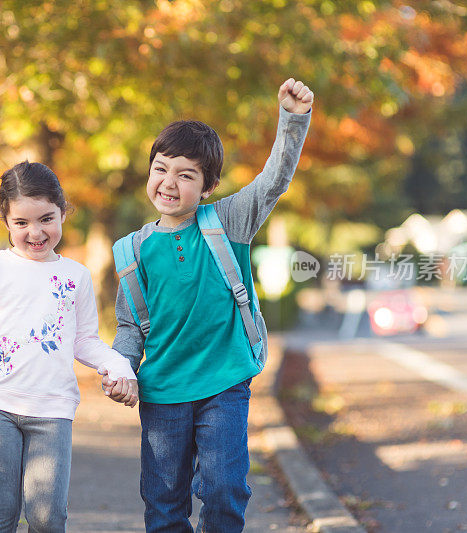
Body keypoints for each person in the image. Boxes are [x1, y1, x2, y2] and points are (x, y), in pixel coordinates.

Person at [103, 78, 313, 531]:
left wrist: (293, 120)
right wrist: (120, 370)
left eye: (186, 174)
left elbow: (274, 179)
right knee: (163, 505)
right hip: (162, 393)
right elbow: (130, 328)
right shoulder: (131, 251)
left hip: (224, 382)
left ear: (208, 185)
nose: (169, 182)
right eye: (161, 168)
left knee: (223, 490)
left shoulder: (228, 222)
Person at [0, 160, 138, 533]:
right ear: (6, 222)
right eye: (21, 223)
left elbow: (85, 341)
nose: (35, 232)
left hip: (52, 410)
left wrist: (119, 366)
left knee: (47, 517)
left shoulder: (76, 276)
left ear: (63, 211)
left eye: (46, 219)